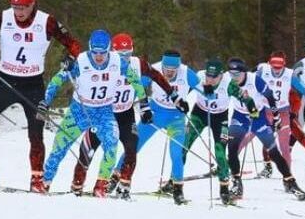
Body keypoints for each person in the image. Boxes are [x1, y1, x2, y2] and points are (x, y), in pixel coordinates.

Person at [0, 0, 81, 192]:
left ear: (32, 4)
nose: (19, 13)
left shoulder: (47, 22)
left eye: (24, 8)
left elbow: (74, 45)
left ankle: (37, 180)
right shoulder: (3, 18)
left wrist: (71, 59)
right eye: (16, 8)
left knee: (36, 134)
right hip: (5, 82)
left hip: (33, 86)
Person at [40, 30, 146, 198]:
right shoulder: (81, 61)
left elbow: (135, 81)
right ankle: (44, 183)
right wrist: (45, 101)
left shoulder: (117, 61)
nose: (98, 57)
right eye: (95, 52)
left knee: (111, 144)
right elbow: (57, 80)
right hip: (79, 111)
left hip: (104, 111)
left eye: (102, 53)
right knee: (59, 147)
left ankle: (101, 186)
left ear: (109, 50)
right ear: (90, 49)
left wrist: (144, 103)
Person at [71, 32, 174, 199]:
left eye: (128, 54)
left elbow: (157, 76)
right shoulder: (104, 63)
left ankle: (123, 186)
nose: (124, 58)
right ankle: (77, 185)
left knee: (131, 149)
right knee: (88, 149)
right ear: (112, 51)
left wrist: (171, 95)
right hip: (104, 114)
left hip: (126, 115)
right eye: (120, 55)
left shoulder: (137, 64)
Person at [226, 58, 305, 201]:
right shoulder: (229, 81)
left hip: (259, 117)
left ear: (244, 73)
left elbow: (270, 97)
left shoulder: (255, 80)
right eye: (231, 74)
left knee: (273, 151)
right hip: (240, 116)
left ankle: (290, 182)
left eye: (237, 74)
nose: (234, 78)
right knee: (232, 148)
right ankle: (237, 183)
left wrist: (276, 116)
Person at [129, 50, 196, 204]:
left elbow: (206, 91)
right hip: (155, 113)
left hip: (176, 118)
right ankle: (116, 178)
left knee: (176, 152)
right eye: (167, 70)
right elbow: (136, 88)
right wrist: (134, 105)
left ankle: (177, 189)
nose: (169, 73)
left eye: (173, 71)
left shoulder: (186, 72)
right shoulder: (154, 69)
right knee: (133, 145)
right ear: (162, 65)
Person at [182, 60, 234, 203]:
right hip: (199, 114)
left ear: (221, 75)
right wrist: (180, 100)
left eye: (214, 77)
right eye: (208, 76)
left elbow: (244, 97)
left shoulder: (229, 82)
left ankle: (224, 189)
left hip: (220, 117)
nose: (210, 79)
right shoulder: (199, 77)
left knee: (220, 152)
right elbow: (183, 90)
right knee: (183, 145)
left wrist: (252, 109)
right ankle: (174, 182)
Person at [255, 51, 305, 174]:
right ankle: (267, 167)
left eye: (279, 66)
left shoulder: (288, 76)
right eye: (272, 65)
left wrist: (294, 112)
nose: (276, 70)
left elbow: (297, 98)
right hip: (268, 112)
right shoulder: (264, 72)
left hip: (286, 114)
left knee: (299, 137)